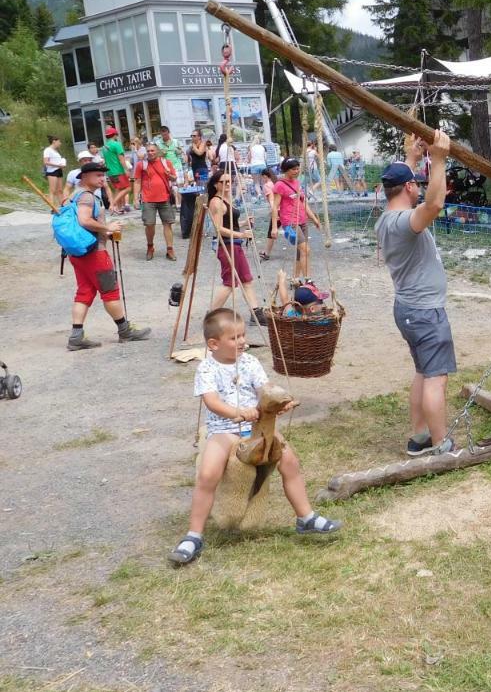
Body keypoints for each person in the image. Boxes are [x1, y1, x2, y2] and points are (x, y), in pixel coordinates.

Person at [168, 308, 341, 565]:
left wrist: (278, 402)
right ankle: (194, 534)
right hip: (224, 430)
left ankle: (306, 517)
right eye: (234, 338)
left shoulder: (249, 362)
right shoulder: (207, 368)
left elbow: (264, 389)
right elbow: (212, 402)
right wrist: (238, 412)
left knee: (290, 461)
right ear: (213, 344)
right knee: (208, 474)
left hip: (258, 428)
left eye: (242, 336)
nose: (242, 342)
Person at [376, 131, 456, 458]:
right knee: (436, 378)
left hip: (409, 309)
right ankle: (441, 446)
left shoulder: (385, 219)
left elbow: (405, 183)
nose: (419, 187)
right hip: (425, 313)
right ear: (409, 188)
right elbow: (435, 203)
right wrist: (438, 158)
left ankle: (419, 436)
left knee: (423, 372)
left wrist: (411, 157)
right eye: (415, 183)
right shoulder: (402, 223)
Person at [63, 162, 151, 350]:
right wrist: (107, 228)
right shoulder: (87, 197)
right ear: (84, 177)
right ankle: (125, 331)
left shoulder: (75, 195)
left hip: (78, 252)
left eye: (103, 175)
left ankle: (76, 336)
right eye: (97, 175)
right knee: (110, 291)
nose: (102, 178)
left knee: (85, 291)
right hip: (94, 253)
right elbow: (84, 220)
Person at [207, 168, 267, 324]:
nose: (228, 184)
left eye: (229, 181)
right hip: (227, 246)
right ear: (215, 185)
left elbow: (230, 224)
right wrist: (241, 234)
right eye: (223, 182)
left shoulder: (226, 199)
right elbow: (219, 229)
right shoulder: (217, 202)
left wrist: (243, 223)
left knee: (246, 279)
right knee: (230, 283)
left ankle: (256, 314)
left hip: (234, 245)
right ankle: (211, 315)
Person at [273, 156, 323, 279]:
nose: (297, 171)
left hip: (302, 221)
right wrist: (274, 227)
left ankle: (295, 279)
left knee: (300, 252)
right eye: (294, 169)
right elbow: (274, 207)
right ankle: (308, 280)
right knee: (306, 250)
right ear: (286, 170)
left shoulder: (297, 182)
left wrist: (314, 219)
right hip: (290, 222)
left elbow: (303, 203)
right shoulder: (280, 185)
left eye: (298, 169)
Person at [134, 142, 178, 261]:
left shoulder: (166, 162)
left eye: (152, 150)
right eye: (148, 151)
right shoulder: (141, 165)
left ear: (157, 151)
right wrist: (135, 198)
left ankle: (170, 249)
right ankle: (150, 247)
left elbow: (174, 178)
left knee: (167, 224)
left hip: (164, 197)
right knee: (149, 224)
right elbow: (137, 182)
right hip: (148, 199)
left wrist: (170, 175)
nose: (150, 153)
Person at [102, 126, 132, 213]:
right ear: (115, 135)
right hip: (118, 171)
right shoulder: (116, 144)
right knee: (128, 188)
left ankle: (119, 209)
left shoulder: (104, 147)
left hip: (109, 172)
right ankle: (113, 204)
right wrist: (126, 170)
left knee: (118, 189)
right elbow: (121, 159)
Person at [153, 126, 185, 207]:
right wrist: (161, 153)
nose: (165, 136)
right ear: (160, 134)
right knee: (170, 186)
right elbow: (155, 154)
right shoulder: (158, 143)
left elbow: (180, 151)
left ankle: (179, 204)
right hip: (165, 167)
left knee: (179, 185)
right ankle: (174, 203)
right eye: (163, 135)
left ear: (168, 133)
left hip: (177, 166)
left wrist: (178, 151)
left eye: (166, 134)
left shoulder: (175, 141)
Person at [259, 167, 279, 260]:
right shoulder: (276, 183)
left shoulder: (267, 185)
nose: (262, 179)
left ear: (265, 176)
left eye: (262, 177)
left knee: (271, 232)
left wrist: (273, 211)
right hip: (283, 209)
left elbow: (271, 199)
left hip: (277, 210)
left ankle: (266, 253)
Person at [42, 135, 67, 206]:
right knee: (52, 190)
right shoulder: (47, 150)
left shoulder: (56, 151)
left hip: (59, 170)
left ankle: (62, 206)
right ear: (54, 141)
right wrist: (58, 165)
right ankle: (52, 207)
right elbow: (46, 162)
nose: (60, 143)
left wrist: (62, 165)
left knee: (60, 190)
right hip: (52, 171)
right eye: (59, 141)